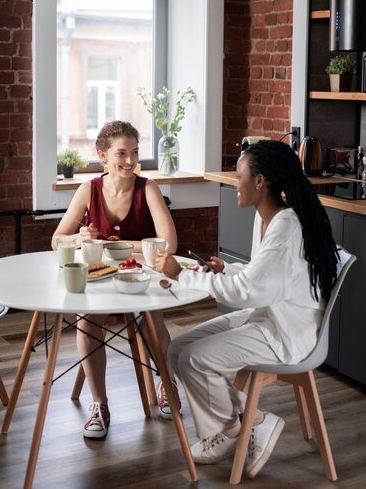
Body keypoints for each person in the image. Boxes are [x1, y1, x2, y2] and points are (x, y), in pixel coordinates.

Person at [155, 140, 339, 478]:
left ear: (260, 182)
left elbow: (249, 292)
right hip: (269, 315)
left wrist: (181, 275)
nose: (233, 181)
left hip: (287, 332)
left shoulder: (285, 227)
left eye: (239, 175)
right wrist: (227, 270)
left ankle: (253, 422)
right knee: (178, 349)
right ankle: (234, 428)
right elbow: (263, 277)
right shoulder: (268, 217)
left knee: (195, 359)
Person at [52, 121, 180, 440]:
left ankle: (167, 382)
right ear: (102, 156)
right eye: (121, 153)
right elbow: (57, 240)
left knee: (151, 318)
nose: (129, 161)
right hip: (100, 278)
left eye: (135, 153)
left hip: (141, 277)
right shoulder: (88, 189)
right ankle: (100, 404)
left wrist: (111, 245)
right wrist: (78, 238)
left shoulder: (147, 187)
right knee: (87, 323)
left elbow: (170, 243)